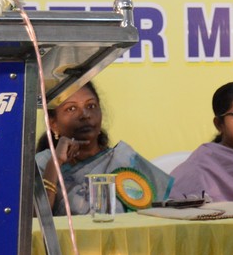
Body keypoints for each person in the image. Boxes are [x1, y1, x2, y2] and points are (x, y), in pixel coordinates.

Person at [37, 79, 172, 212]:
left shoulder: (123, 160)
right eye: (71, 108)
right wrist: (55, 164)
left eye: (91, 106)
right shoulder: (42, 163)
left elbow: (164, 213)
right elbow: (33, 219)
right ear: (53, 124)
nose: (85, 115)